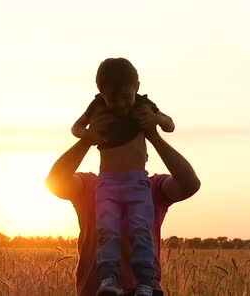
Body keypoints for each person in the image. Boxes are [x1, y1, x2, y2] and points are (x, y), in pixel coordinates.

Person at [45, 106, 201, 296]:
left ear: (145, 155)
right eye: (116, 149)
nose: (124, 156)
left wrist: (154, 136)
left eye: (131, 149)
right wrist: (87, 139)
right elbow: (54, 182)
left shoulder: (152, 188)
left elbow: (190, 184)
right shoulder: (89, 186)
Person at [70, 58, 174, 296]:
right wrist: (88, 135)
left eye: (126, 96)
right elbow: (76, 128)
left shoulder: (143, 106)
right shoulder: (97, 108)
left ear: (137, 86)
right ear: (101, 93)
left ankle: (146, 284)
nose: (120, 104)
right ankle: (108, 280)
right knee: (108, 230)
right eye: (112, 99)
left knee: (140, 230)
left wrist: (155, 120)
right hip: (107, 184)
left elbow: (170, 125)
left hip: (138, 183)